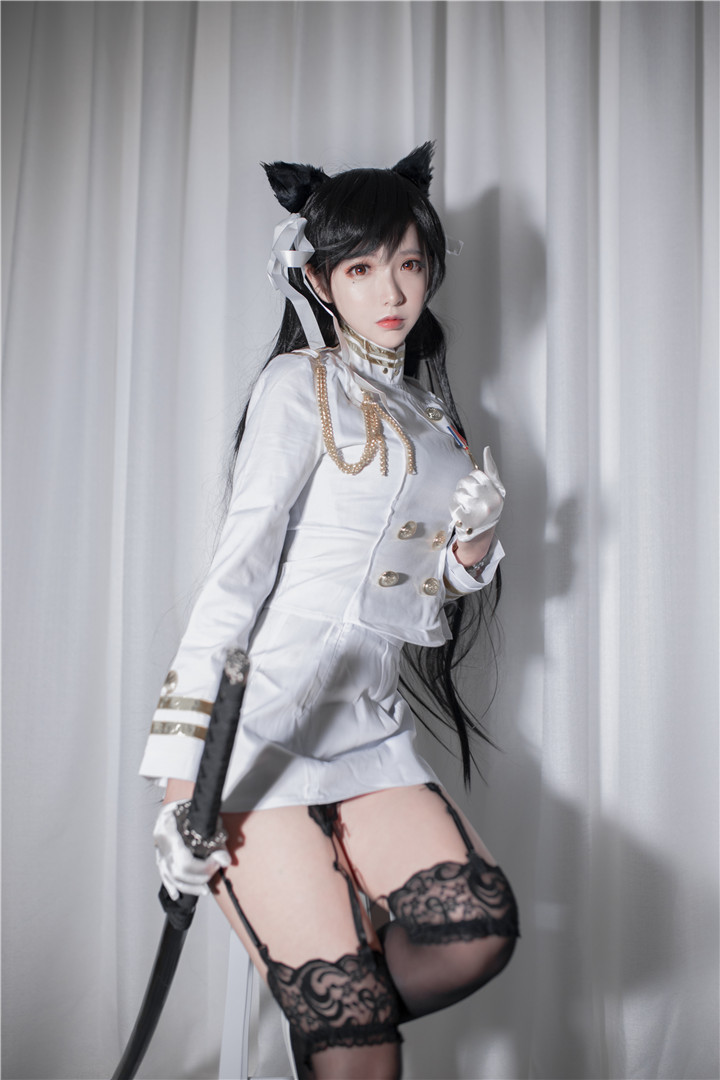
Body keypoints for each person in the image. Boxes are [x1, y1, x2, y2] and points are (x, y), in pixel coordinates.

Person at [140, 143, 520, 1080]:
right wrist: (184, 777)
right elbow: (238, 573)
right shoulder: (297, 385)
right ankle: (336, 1021)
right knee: (358, 1051)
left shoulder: (435, 416)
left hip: (367, 723)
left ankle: (334, 1012)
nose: (391, 289)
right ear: (317, 279)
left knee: (475, 928)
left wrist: (472, 548)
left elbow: (415, 587)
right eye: (360, 268)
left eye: (409, 263)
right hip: (259, 726)